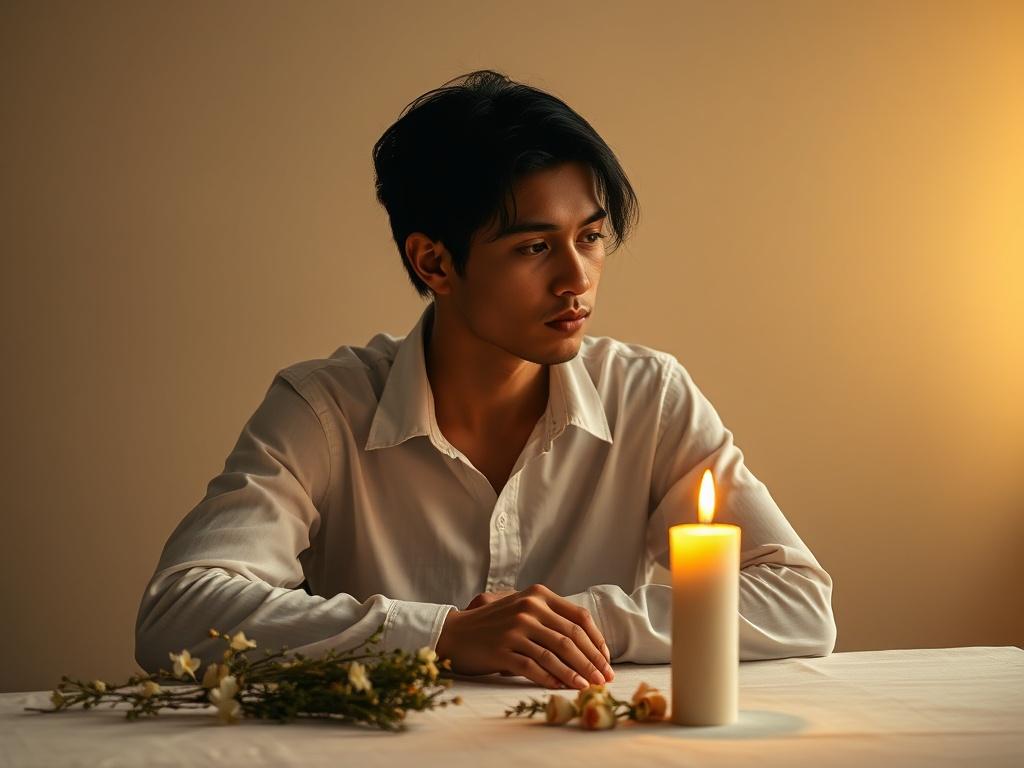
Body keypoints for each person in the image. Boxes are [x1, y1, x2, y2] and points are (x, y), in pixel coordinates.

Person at [135, 69, 836, 691]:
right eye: (535, 247)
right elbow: (178, 612)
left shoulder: (647, 395)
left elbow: (800, 602)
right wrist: (440, 634)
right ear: (435, 263)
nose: (578, 279)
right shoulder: (325, 408)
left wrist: (579, 623)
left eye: (590, 237)